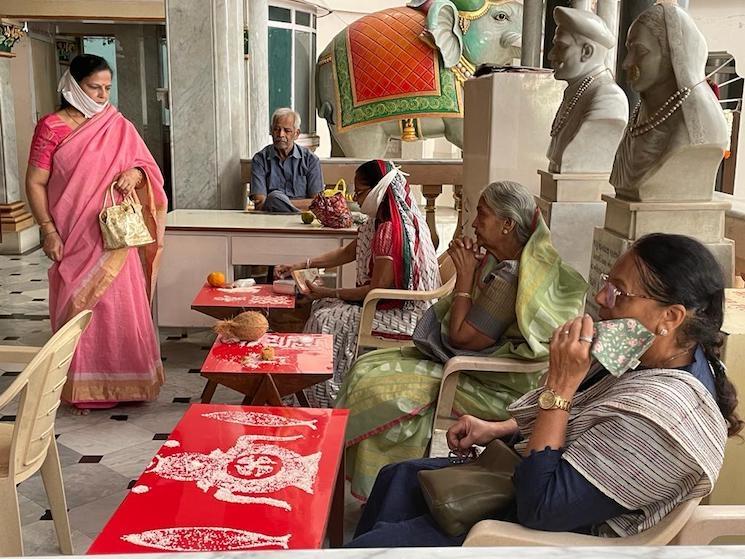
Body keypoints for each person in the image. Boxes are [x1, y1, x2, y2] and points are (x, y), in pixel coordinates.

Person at [347, 233, 741, 547]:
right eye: (606, 285)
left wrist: (561, 384)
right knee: (397, 477)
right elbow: (588, 425)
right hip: (539, 483)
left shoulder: (663, 418)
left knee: (381, 545)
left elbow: (541, 508)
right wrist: (501, 428)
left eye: (619, 293)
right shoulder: (663, 357)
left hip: (551, 535)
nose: (602, 300)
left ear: (669, 318)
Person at [336, 180, 588, 500]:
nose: (473, 223)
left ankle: (386, 490)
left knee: (379, 386)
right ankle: (382, 484)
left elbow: (463, 338)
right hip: (483, 367)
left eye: (481, 215)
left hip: (497, 384)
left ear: (507, 224)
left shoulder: (511, 274)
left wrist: (466, 278)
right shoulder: (507, 261)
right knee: (367, 363)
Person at [25, 54, 167, 412]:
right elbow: (36, 182)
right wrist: (47, 229)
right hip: (74, 234)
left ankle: (130, 385)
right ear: (73, 84)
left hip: (116, 237)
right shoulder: (51, 127)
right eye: (94, 87)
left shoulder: (116, 125)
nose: (102, 95)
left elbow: (145, 167)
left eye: (107, 87)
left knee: (121, 307)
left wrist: (135, 175)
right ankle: (83, 387)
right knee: (80, 307)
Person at [275, 160, 440, 407]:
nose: (354, 197)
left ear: (378, 189)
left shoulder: (391, 230)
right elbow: (346, 253)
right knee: (323, 307)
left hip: (405, 314)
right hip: (385, 302)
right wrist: (301, 265)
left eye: (360, 192)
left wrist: (326, 292)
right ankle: (306, 391)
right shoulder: (378, 222)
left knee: (326, 319)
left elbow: (374, 292)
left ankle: (325, 399)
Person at [611, 3, 728, 199]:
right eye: (628, 50)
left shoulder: (699, 127)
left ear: (672, 55)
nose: (626, 63)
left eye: (639, 51)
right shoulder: (641, 113)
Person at [546, 6, 628, 174]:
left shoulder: (609, 98)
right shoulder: (579, 91)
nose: (551, 55)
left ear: (587, 52)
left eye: (561, 47)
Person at [250, 108, 324, 212]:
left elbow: (318, 203)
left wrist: (277, 202)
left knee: (274, 198)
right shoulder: (260, 159)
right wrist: (302, 204)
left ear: (296, 134)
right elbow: (260, 204)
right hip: (270, 220)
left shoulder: (310, 160)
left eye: (287, 130)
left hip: (302, 220)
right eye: (276, 129)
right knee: (274, 197)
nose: (281, 135)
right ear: (271, 131)